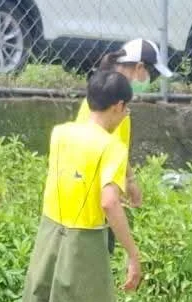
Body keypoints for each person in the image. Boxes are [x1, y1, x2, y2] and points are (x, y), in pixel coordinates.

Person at [1, 68, 142, 302]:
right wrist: (133, 254)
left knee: (42, 289)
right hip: (86, 232)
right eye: (125, 109)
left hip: (51, 225)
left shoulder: (60, 133)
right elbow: (108, 201)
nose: (125, 114)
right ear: (118, 107)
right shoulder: (111, 146)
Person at [79, 39, 172, 210]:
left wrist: (129, 180)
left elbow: (116, 149)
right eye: (152, 73)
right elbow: (99, 152)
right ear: (139, 67)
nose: (151, 80)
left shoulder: (102, 97)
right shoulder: (114, 108)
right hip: (97, 201)